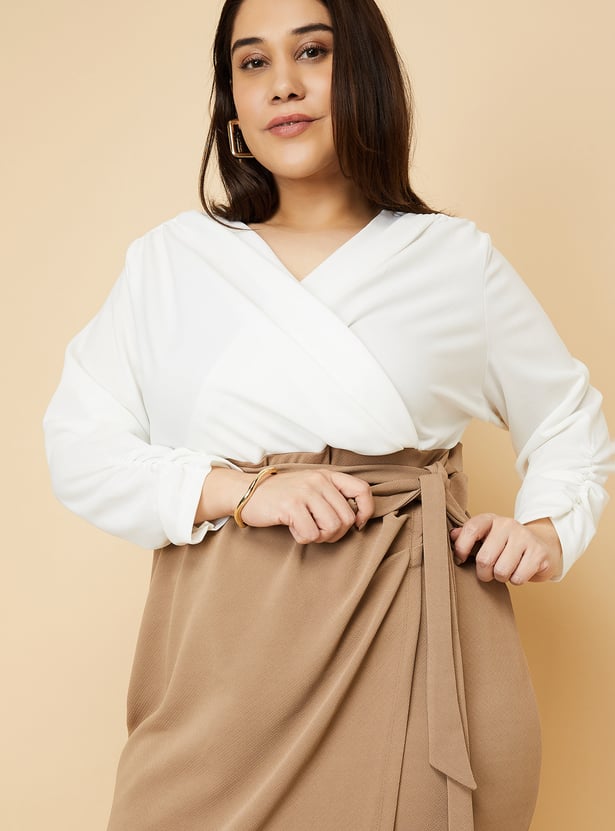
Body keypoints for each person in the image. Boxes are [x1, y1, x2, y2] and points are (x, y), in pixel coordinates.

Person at [43, 0, 612, 829]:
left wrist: (548, 529)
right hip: (219, 677)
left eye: (312, 51)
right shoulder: (170, 263)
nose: (282, 84)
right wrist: (240, 491)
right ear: (232, 105)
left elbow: (567, 418)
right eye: (252, 62)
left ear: (366, 75)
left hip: (420, 659)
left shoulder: (452, 261)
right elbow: (79, 445)